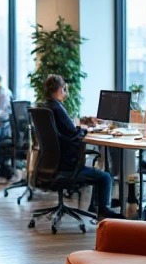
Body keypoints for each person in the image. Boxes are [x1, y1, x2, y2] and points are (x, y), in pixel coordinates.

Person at [43, 74, 121, 220]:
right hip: (68, 165)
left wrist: (82, 127)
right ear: (61, 89)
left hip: (53, 164)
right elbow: (73, 132)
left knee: (99, 173)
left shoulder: (47, 107)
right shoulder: (57, 108)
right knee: (105, 177)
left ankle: (94, 207)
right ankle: (103, 211)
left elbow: (66, 130)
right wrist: (87, 129)